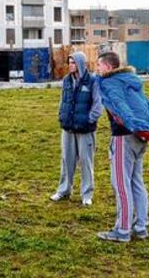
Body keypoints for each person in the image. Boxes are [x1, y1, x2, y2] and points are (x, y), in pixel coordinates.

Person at [95, 52, 149, 242]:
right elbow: (147, 106)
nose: (96, 69)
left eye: (99, 65)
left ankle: (122, 230)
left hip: (124, 137)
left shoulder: (110, 83)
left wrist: (133, 125)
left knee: (121, 184)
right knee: (136, 182)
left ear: (108, 67)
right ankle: (141, 227)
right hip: (139, 137)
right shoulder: (130, 80)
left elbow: (120, 106)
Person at [51, 51, 103, 206]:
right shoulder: (67, 80)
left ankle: (87, 194)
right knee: (66, 160)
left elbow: (97, 104)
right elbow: (63, 100)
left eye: (73, 62)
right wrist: (62, 115)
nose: (70, 65)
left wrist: (89, 119)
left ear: (81, 63)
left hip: (85, 129)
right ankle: (64, 190)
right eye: (69, 62)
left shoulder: (93, 81)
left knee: (86, 162)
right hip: (68, 127)